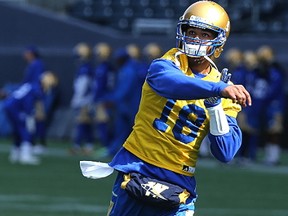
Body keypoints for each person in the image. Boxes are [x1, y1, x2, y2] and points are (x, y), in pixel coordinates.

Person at [81, 1, 251, 215]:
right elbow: (172, 83)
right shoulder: (166, 64)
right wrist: (216, 89)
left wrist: (215, 106)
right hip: (138, 168)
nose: (196, 39)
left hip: (179, 182)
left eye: (205, 35)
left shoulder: (221, 89)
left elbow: (225, 152)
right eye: (191, 31)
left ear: (219, 41)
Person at [3, 72, 58, 165]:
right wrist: (30, 114)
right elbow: (27, 102)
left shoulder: (32, 85)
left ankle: (15, 153)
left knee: (18, 130)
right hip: (16, 109)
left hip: (10, 106)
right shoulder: (36, 89)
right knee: (26, 130)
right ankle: (25, 155)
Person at [70, 42, 95, 155]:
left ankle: (78, 144)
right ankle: (87, 144)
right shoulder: (86, 66)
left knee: (82, 121)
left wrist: (77, 99)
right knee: (85, 122)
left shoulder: (85, 67)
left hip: (84, 98)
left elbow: (83, 85)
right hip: (86, 98)